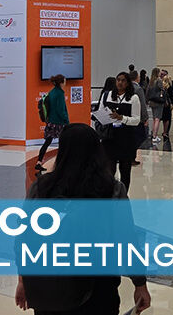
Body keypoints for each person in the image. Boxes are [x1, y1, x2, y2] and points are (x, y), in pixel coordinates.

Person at [16, 124, 151, 315]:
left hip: (49, 288)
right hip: (98, 288)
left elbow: (24, 238)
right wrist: (140, 283)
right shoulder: (111, 190)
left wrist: (23, 280)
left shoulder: (42, 188)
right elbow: (126, 239)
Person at [98, 72, 143, 188]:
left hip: (126, 139)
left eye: (123, 80)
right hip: (109, 138)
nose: (120, 83)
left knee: (125, 171)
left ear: (128, 83)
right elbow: (101, 111)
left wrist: (122, 118)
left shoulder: (134, 98)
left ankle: (123, 195)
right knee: (109, 170)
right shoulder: (106, 95)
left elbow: (137, 120)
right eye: (118, 80)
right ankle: (109, 195)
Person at [35, 74, 69, 171]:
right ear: (61, 83)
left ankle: (39, 161)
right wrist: (66, 120)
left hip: (50, 122)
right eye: (65, 81)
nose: (65, 83)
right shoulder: (60, 94)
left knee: (47, 142)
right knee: (64, 143)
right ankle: (61, 164)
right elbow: (61, 110)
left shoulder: (52, 92)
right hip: (59, 123)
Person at [145, 68, 166, 143]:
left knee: (154, 118)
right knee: (157, 119)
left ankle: (153, 134)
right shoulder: (159, 80)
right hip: (158, 102)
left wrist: (147, 100)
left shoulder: (151, 81)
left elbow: (147, 91)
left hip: (152, 102)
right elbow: (162, 90)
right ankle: (155, 136)